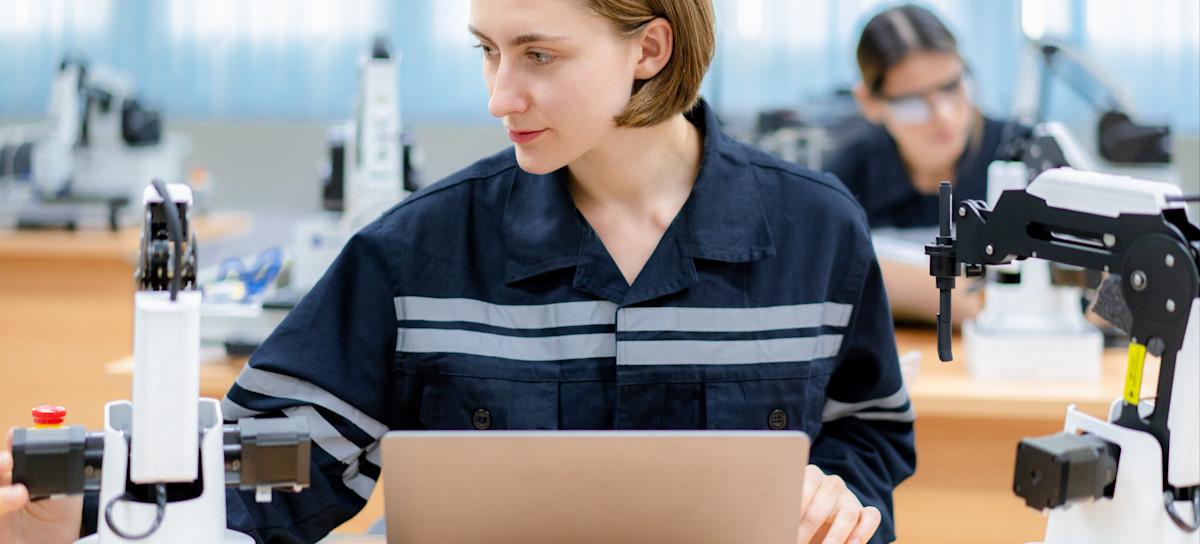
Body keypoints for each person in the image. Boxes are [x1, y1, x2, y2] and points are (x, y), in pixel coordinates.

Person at [2, 1, 915, 542]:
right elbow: (264, 474)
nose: (497, 96)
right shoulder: (416, 250)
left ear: (649, 48)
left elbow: (868, 436)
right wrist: (79, 509)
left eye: (539, 54)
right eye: (486, 49)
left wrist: (842, 496)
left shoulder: (815, 231)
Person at [825, 4, 1027, 324]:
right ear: (870, 102)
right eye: (912, 102)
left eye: (952, 87)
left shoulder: (1025, 154)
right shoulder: (847, 180)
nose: (943, 115)